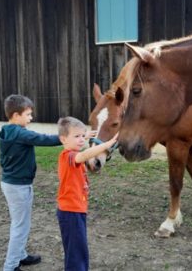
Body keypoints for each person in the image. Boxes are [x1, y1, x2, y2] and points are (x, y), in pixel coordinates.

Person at [0, 94, 63, 271]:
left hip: (13, 184)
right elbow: (43, 139)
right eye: (28, 114)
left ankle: (20, 255)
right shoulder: (20, 133)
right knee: (20, 226)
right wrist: (68, 136)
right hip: (18, 186)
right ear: (16, 115)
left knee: (21, 223)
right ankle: (10, 266)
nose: (31, 118)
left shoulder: (7, 130)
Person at [56, 116, 118, 271]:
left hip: (76, 210)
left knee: (77, 249)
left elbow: (82, 152)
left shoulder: (74, 154)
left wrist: (84, 135)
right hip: (70, 212)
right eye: (76, 136)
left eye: (83, 136)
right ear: (63, 139)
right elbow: (84, 156)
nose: (81, 140)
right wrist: (107, 144)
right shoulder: (68, 156)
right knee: (76, 252)